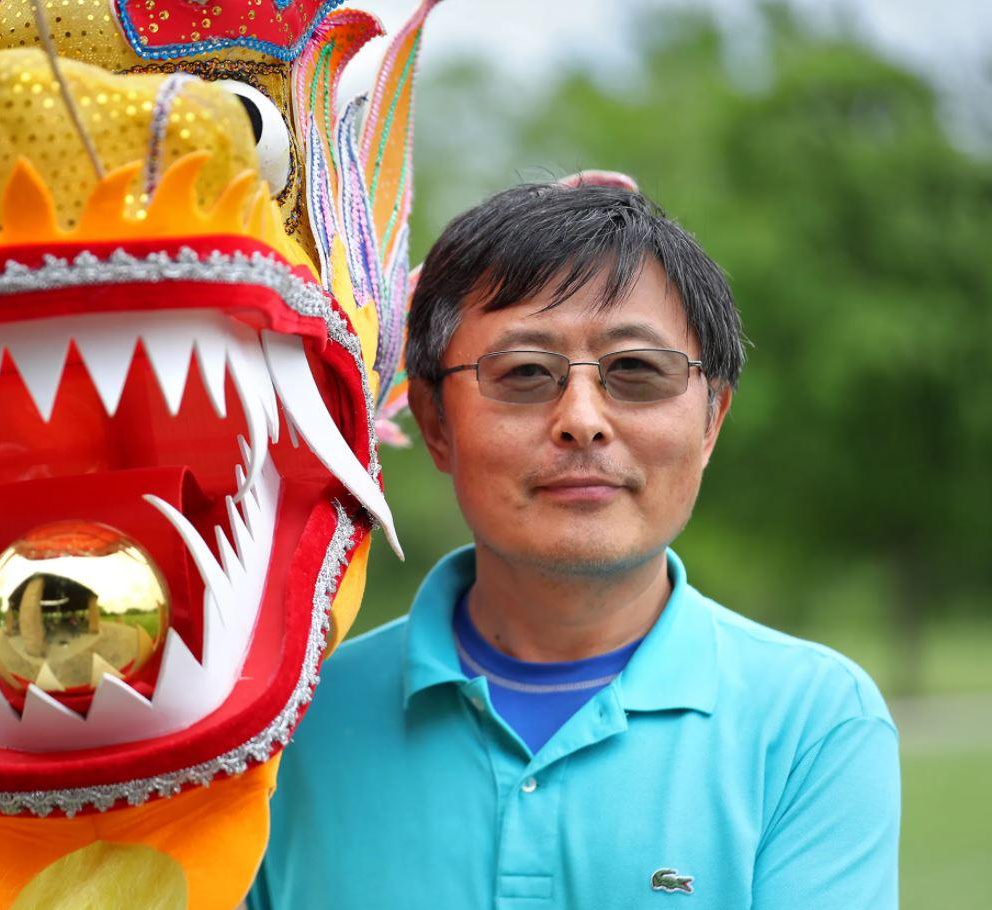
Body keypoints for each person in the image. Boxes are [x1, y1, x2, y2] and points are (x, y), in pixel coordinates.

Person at [248, 181, 900, 909]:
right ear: (435, 423)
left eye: (636, 371)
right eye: (525, 373)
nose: (582, 420)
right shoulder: (284, 726)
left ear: (711, 421)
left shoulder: (810, 724)